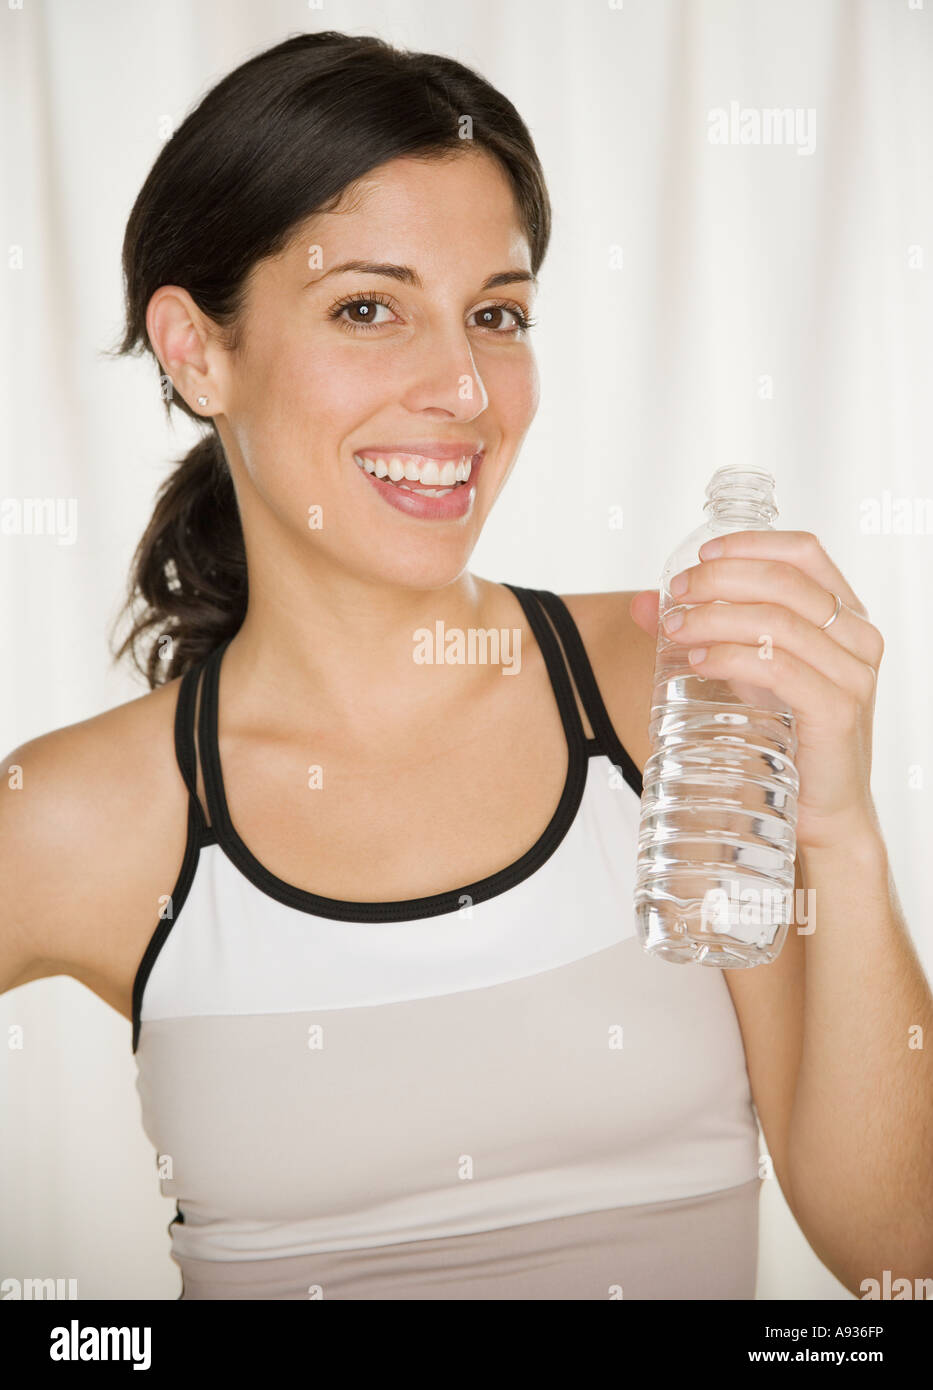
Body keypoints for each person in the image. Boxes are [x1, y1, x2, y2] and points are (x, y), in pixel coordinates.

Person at [4, 30, 902, 1302]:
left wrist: (843, 833)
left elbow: (897, 1256)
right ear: (198, 350)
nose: (465, 389)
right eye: (368, 308)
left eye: (497, 315)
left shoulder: (674, 680)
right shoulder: (77, 819)